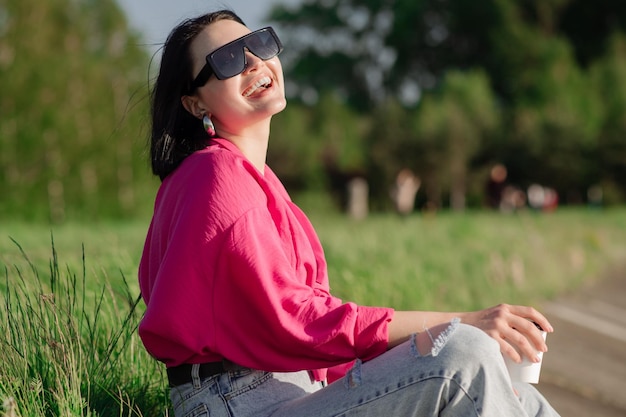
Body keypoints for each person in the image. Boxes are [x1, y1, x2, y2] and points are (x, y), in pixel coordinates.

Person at [138, 9, 561, 417]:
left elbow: (311, 331)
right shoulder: (215, 173)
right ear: (195, 105)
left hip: (293, 388)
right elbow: (295, 318)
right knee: (463, 356)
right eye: (227, 59)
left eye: (259, 43)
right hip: (240, 402)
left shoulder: (254, 180)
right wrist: (462, 323)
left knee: (517, 394)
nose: (253, 61)